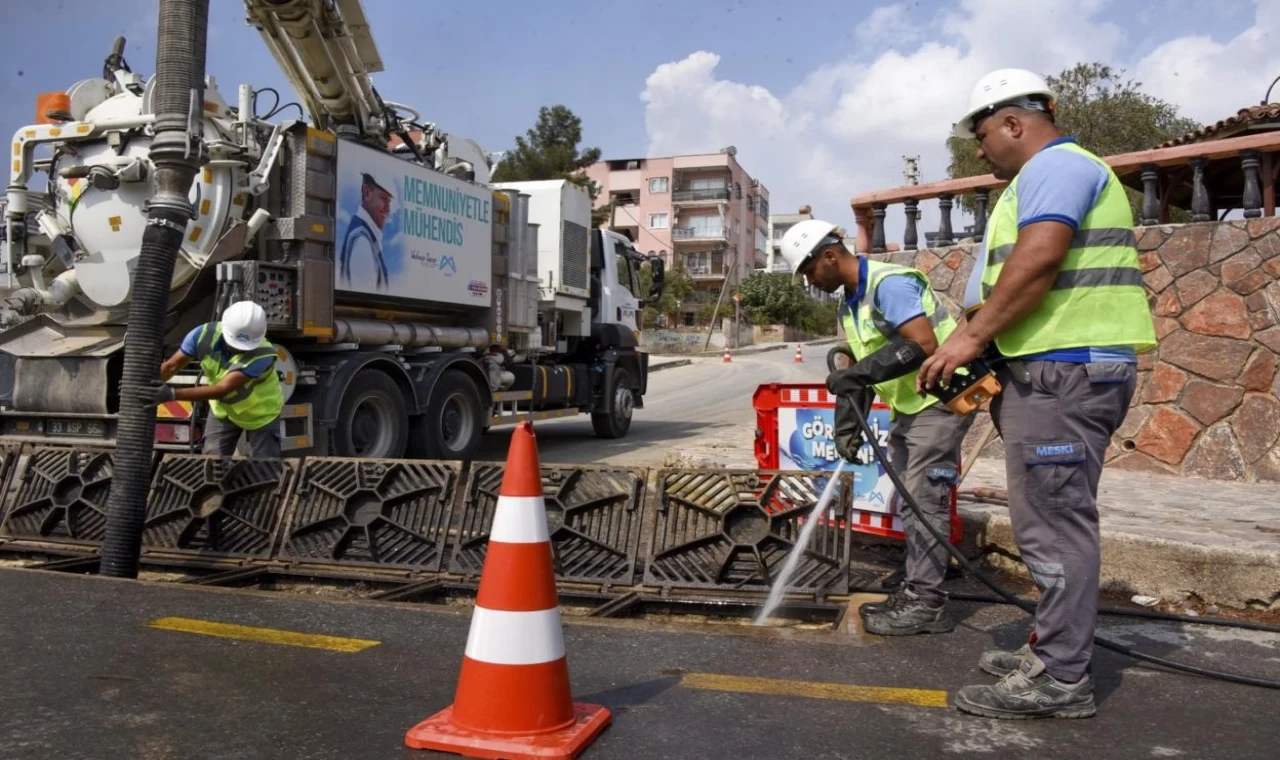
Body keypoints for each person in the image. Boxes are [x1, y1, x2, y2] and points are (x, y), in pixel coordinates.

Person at [918, 68, 1157, 720]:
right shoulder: (1047, 174)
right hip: (1058, 371)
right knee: (1049, 521)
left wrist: (970, 339)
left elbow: (1041, 257)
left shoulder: (1057, 168)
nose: (978, 149)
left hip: (1065, 375)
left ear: (1015, 123)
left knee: (1055, 526)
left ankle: (1061, 677)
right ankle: (1052, 647)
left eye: (981, 134)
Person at [778, 219, 974, 637]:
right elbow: (864, 369)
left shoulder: (890, 284)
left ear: (830, 255)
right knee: (912, 501)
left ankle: (928, 602)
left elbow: (923, 345)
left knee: (924, 502)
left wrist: (857, 375)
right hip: (911, 406)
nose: (811, 279)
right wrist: (849, 423)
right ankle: (918, 583)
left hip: (938, 402)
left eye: (810, 269)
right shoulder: (852, 301)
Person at [140, 300, 285, 458]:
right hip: (223, 411)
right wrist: (141, 385)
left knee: (265, 468)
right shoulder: (202, 335)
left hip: (261, 414)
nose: (238, 349)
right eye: (234, 344)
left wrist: (171, 394)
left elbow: (222, 390)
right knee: (212, 462)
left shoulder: (263, 355)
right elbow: (171, 366)